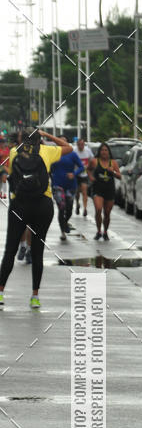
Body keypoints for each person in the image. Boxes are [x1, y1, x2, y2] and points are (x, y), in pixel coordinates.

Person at [0, 127, 72, 309]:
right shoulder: (46, 150)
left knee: (10, 250)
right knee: (38, 252)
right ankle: (35, 296)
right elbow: (68, 147)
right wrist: (47, 136)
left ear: (21, 139)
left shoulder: (14, 152)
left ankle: (0, 293)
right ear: (39, 139)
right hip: (42, 205)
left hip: (19, 205)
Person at [51, 139, 85, 241]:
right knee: (61, 208)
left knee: (69, 208)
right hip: (57, 185)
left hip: (70, 185)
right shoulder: (53, 153)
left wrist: (74, 174)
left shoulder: (72, 154)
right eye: (59, 141)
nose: (61, 143)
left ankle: (65, 223)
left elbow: (81, 167)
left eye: (64, 141)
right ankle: (62, 232)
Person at [87, 142, 121, 241]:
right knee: (98, 209)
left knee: (107, 213)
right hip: (98, 189)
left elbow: (120, 176)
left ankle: (105, 231)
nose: (104, 152)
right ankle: (98, 231)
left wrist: (112, 172)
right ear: (99, 151)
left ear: (109, 152)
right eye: (102, 150)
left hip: (109, 190)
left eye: (106, 150)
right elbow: (88, 169)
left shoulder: (113, 163)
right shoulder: (95, 161)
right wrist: (91, 177)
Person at [74, 137, 94, 216]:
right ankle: (77, 203)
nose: (81, 146)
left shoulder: (88, 150)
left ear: (84, 144)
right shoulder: (74, 151)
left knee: (84, 191)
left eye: (82, 144)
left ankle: (85, 208)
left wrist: (88, 166)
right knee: (77, 192)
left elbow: (92, 160)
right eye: (79, 145)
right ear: (77, 145)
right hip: (76, 174)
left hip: (84, 174)